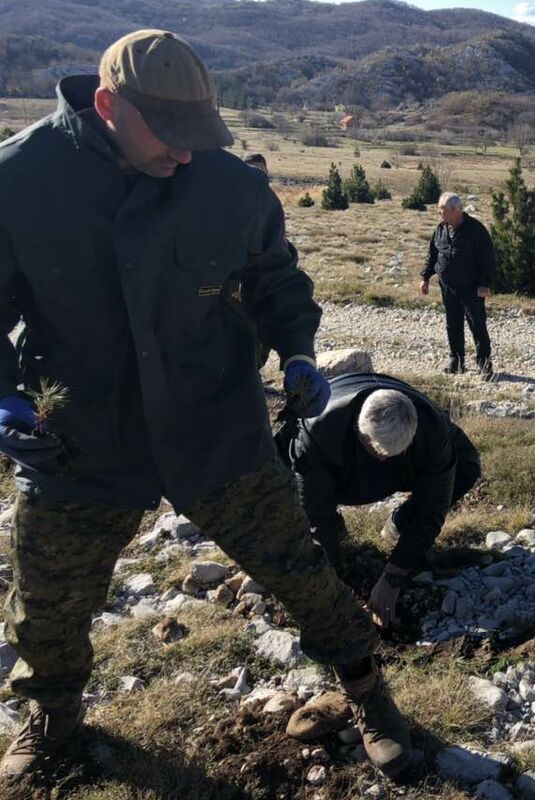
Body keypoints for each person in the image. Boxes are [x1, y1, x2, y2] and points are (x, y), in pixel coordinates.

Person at [0, 30, 409, 780]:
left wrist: (297, 352)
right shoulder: (19, 180)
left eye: (199, 132)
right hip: (82, 437)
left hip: (212, 421)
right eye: (169, 132)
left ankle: (366, 689)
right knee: (47, 598)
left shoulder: (228, 184)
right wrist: (2, 396)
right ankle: (51, 716)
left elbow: (276, 281)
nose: (186, 153)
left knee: (297, 567)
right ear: (106, 107)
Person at [277, 372, 481, 626]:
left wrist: (393, 577)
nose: (383, 458)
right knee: (292, 498)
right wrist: (334, 586)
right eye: (378, 452)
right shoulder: (317, 431)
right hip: (335, 461)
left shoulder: (433, 427)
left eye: (393, 453)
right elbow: (315, 513)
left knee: (466, 467)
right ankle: (338, 537)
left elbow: (433, 508)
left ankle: (400, 522)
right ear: (360, 431)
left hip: (399, 463)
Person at [420, 192, 496, 380]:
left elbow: (488, 259)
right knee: (452, 324)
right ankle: (456, 361)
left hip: (471, 287)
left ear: (455, 210)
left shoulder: (476, 230)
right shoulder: (441, 229)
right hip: (447, 286)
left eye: (442, 210)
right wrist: (425, 277)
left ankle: (484, 364)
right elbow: (433, 254)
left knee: (477, 325)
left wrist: (485, 284)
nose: (439, 213)